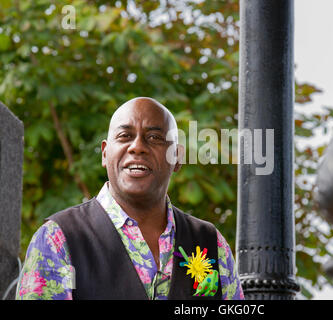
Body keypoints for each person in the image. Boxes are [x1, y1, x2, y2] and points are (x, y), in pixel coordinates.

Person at [16, 97, 244, 300]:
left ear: (177, 157)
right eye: (125, 136)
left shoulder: (211, 244)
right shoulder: (59, 239)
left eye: (154, 137)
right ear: (105, 154)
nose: (137, 147)